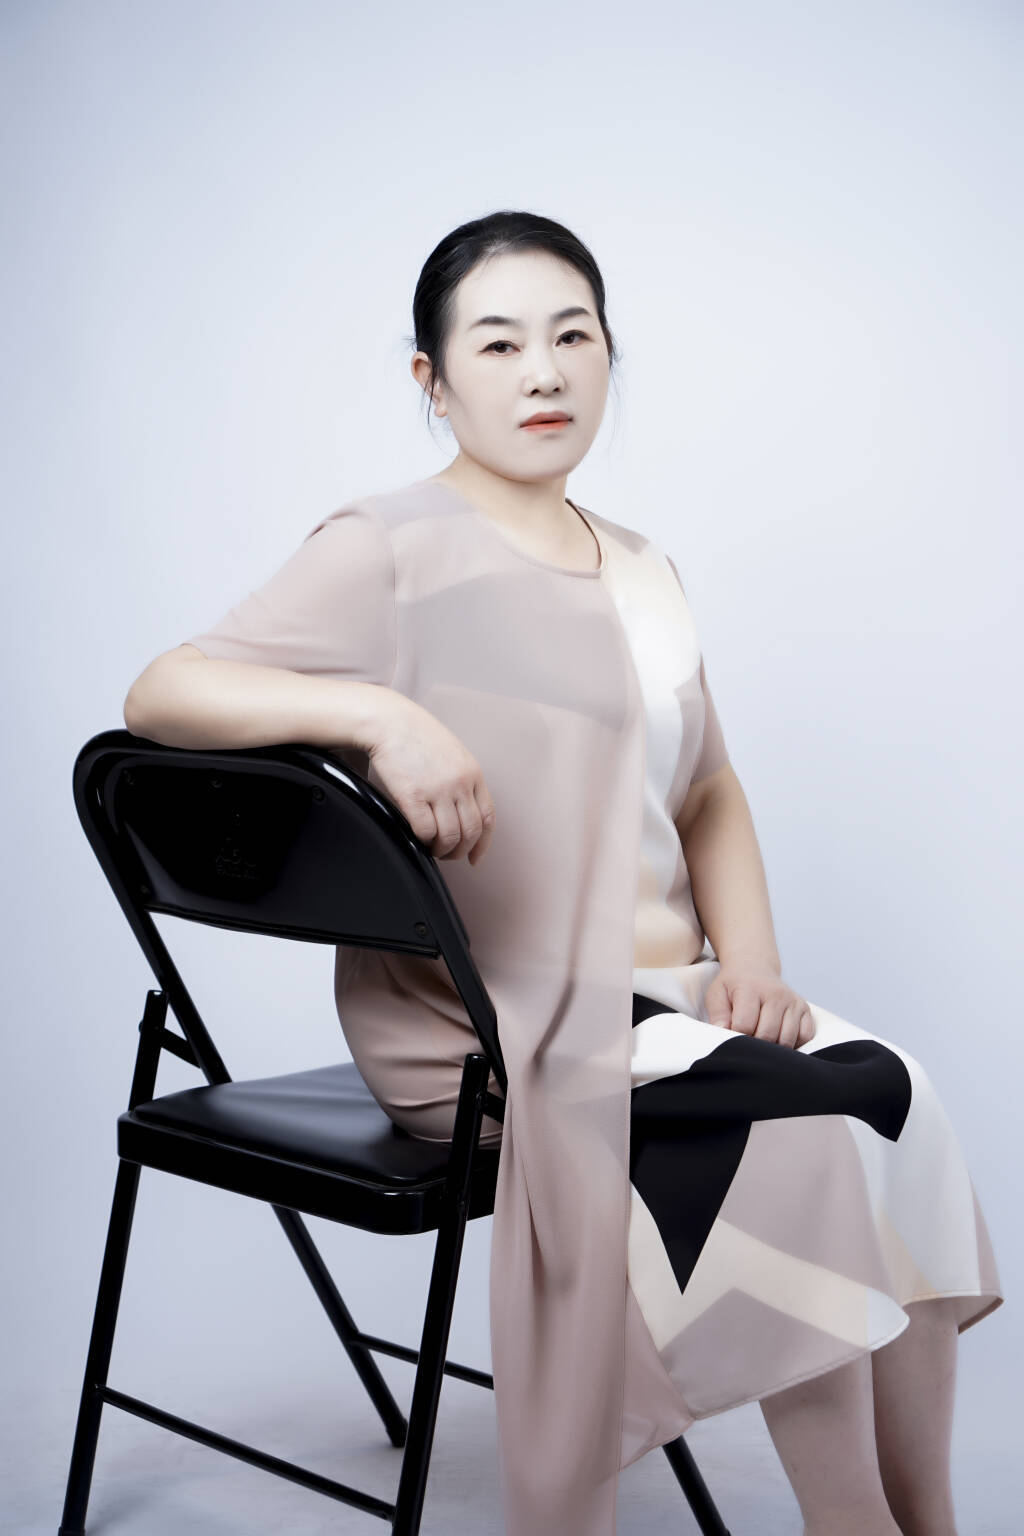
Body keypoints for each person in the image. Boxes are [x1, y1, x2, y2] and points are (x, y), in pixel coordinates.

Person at [124, 210, 1003, 1536]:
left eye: (572, 336)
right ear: (433, 380)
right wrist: (378, 716)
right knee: (807, 1135)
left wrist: (753, 965)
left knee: (902, 1099)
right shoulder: (390, 548)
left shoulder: (646, 569)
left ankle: (925, 1517)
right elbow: (163, 690)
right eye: (498, 343)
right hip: (498, 1024)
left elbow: (708, 790)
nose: (543, 371)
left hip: (671, 1001)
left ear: (606, 356)